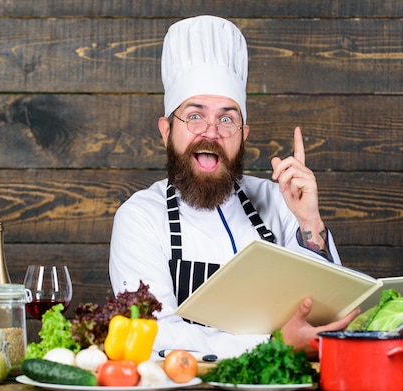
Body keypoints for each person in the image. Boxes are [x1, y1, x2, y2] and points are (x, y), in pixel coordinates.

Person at [109, 15, 359, 359]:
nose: (211, 132)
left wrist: (309, 221)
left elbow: (330, 316)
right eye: (195, 116)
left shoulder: (279, 200)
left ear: (243, 135)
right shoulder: (140, 218)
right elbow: (153, 333)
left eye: (227, 118)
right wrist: (272, 344)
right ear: (167, 131)